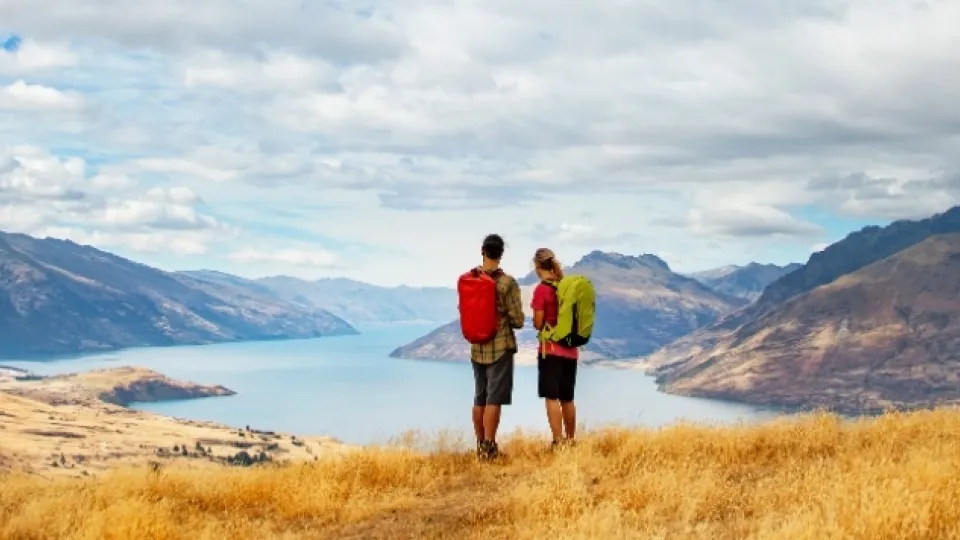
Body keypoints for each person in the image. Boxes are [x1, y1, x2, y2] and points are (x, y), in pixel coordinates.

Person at [470, 233, 524, 461]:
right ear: (501, 255)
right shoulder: (507, 283)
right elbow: (518, 320)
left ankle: (480, 445)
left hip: (476, 347)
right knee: (494, 399)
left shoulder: (470, 279)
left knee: (479, 397)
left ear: (482, 251)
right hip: (500, 347)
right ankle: (489, 449)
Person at [530, 248, 579, 448]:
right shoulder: (567, 287)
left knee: (551, 397)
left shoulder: (542, 290)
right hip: (571, 350)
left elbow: (538, 322)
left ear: (537, 266)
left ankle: (558, 442)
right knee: (567, 398)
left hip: (550, 351)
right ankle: (571, 439)